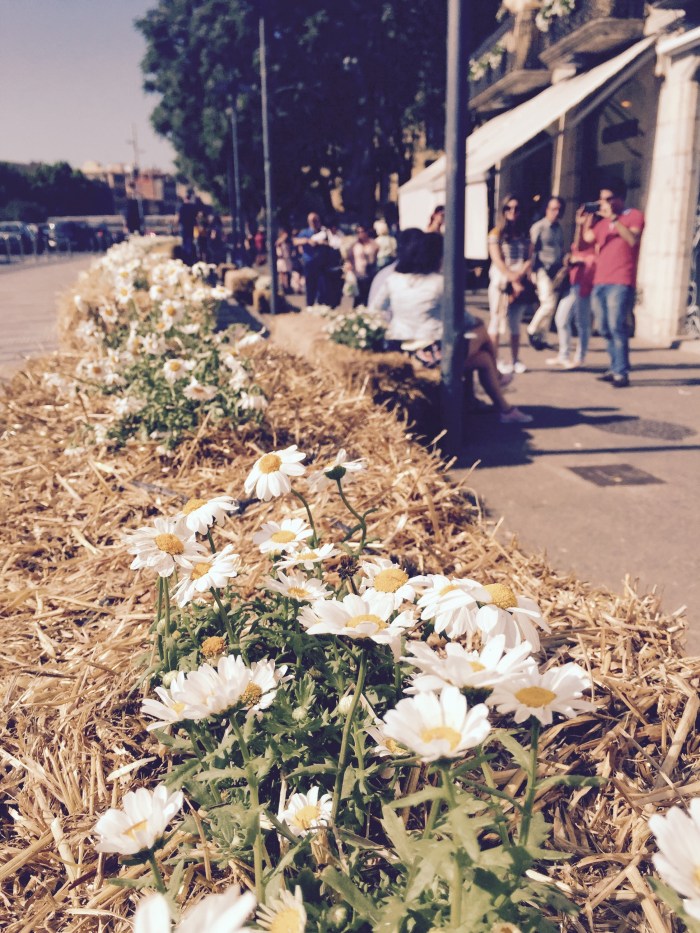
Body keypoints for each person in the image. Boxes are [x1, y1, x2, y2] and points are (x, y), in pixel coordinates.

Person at [373, 229, 532, 424]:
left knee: (483, 359)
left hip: (401, 350)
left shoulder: (393, 280)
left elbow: (375, 310)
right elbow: (463, 318)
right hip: (434, 352)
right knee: (481, 329)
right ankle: (500, 386)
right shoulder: (439, 283)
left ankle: (506, 409)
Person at [582, 177, 644, 388]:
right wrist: (584, 222)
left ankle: (621, 372)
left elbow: (632, 240)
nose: (604, 203)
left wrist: (615, 220)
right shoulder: (602, 224)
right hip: (600, 280)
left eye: (608, 199)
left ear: (620, 198)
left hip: (621, 280)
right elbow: (587, 239)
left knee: (617, 326)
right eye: (601, 199)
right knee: (604, 327)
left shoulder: (633, 216)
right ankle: (614, 366)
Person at [487, 194, 532, 374]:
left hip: (519, 278)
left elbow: (529, 257)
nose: (513, 212)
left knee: (515, 323)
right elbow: (497, 259)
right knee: (496, 320)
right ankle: (495, 360)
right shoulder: (496, 233)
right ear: (503, 210)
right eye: (509, 208)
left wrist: (519, 276)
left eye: (516, 208)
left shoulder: (524, 233)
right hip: (501, 281)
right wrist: (511, 277)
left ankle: (515, 359)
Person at [547, 205, 596, 369]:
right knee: (562, 318)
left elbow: (595, 258)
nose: (587, 218)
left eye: (589, 215)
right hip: (574, 281)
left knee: (582, 322)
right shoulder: (582, 234)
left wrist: (581, 261)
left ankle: (579, 357)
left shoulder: (597, 235)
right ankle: (564, 354)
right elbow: (578, 247)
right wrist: (579, 225)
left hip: (585, 283)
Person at [527, 196, 566, 351]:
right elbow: (531, 250)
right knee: (547, 303)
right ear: (547, 209)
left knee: (551, 306)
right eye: (553, 209)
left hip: (556, 271)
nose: (556, 212)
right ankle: (532, 329)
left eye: (558, 209)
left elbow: (560, 248)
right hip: (542, 268)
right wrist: (530, 271)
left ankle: (542, 337)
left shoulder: (559, 229)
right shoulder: (539, 227)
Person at [294, 212, 326, 306]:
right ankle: (310, 304)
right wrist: (308, 241)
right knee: (310, 284)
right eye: (312, 220)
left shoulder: (323, 232)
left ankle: (321, 303)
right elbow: (295, 241)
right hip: (309, 262)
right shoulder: (305, 232)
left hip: (321, 263)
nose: (314, 222)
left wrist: (322, 242)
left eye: (316, 220)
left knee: (322, 284)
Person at [347, 225, 379, 307]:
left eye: (362, 232)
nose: (361, 234)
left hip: (370, 273)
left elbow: (376, 254)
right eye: (358, 232)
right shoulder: (354, 245)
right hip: (358, 273)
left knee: (369, 296)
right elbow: (349, 257)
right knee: (358, 297)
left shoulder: (373, 243)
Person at [178, 189, 198, 264]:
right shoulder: (192, 207)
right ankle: (189, 259)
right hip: (190, 227)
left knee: (184, 243)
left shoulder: (182, 207)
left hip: (184, 227)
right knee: (189, 243)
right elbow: (196, 216)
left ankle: (185, 259)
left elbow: (179, 218)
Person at [275, 226, 294, 292]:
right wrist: (283, 237)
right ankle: (283, 287)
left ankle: (287, 287)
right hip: (281, 259)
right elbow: (278, 243)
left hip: (287, 259)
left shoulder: (288, 241)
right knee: (282, 274)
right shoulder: (279, 240)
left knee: (287, 274)